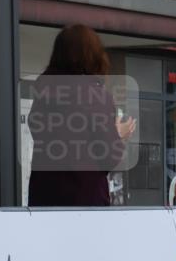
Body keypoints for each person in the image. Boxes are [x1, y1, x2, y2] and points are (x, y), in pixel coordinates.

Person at [27, 25, 136, 207]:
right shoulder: (96, 96)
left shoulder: (43, 91)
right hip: (84, 200)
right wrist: (119, 135)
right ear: (93, 56)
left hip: (43, 197)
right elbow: (108, 158)